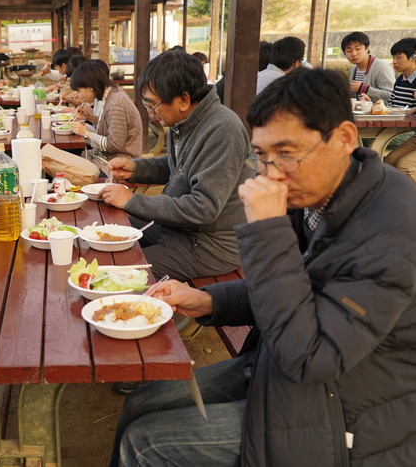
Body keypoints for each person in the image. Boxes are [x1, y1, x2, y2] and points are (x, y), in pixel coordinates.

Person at [111, 67, 416, 467]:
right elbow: (294, 288)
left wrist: (267, 231)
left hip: (345, 411)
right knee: (140, 403)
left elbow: (310, 358)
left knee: (146, 443)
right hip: (281, 367)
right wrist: (209, 300)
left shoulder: (390, 230)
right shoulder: (322, 191)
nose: (272, 174)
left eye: (287, 154)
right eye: (261, 157)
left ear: (344, 138)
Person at [100, 50, 252, 282]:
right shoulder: (185, 120)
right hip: (177, 227)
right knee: (106, 229)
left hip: (211, 244)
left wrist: (131, 200)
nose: (150, 113)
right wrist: (136, 169)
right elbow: (177, 166)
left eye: (153, 105)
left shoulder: (223, 130)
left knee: (116, 273)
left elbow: (204, 207)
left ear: (183, 100)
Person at [68, 60, 143, 172]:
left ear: (90, 87)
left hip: (115, 165)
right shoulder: (110, 95)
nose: (77, 95)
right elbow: (107, 125)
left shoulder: (116, 104)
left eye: (78, 90)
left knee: (64, 168)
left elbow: (114, 145)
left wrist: (86, 133)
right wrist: (87, 119)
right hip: (102, 157)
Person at [382, 37, 416, 182]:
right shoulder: (401, 79)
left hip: (409, 131)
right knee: (389, 162)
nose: (394, 61)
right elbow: (392, 104)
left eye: (399, 57)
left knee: (404, 166)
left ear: (413, 57)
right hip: (411, 133)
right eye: (393, 57)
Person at [341, 31, 395, 103]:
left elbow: (391, 96)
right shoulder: (354, 69)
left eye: (358, 49)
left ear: (367, 48)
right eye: (349, 50)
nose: (354, 54)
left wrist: (365, 89)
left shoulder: (382, 67)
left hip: (379, 110)